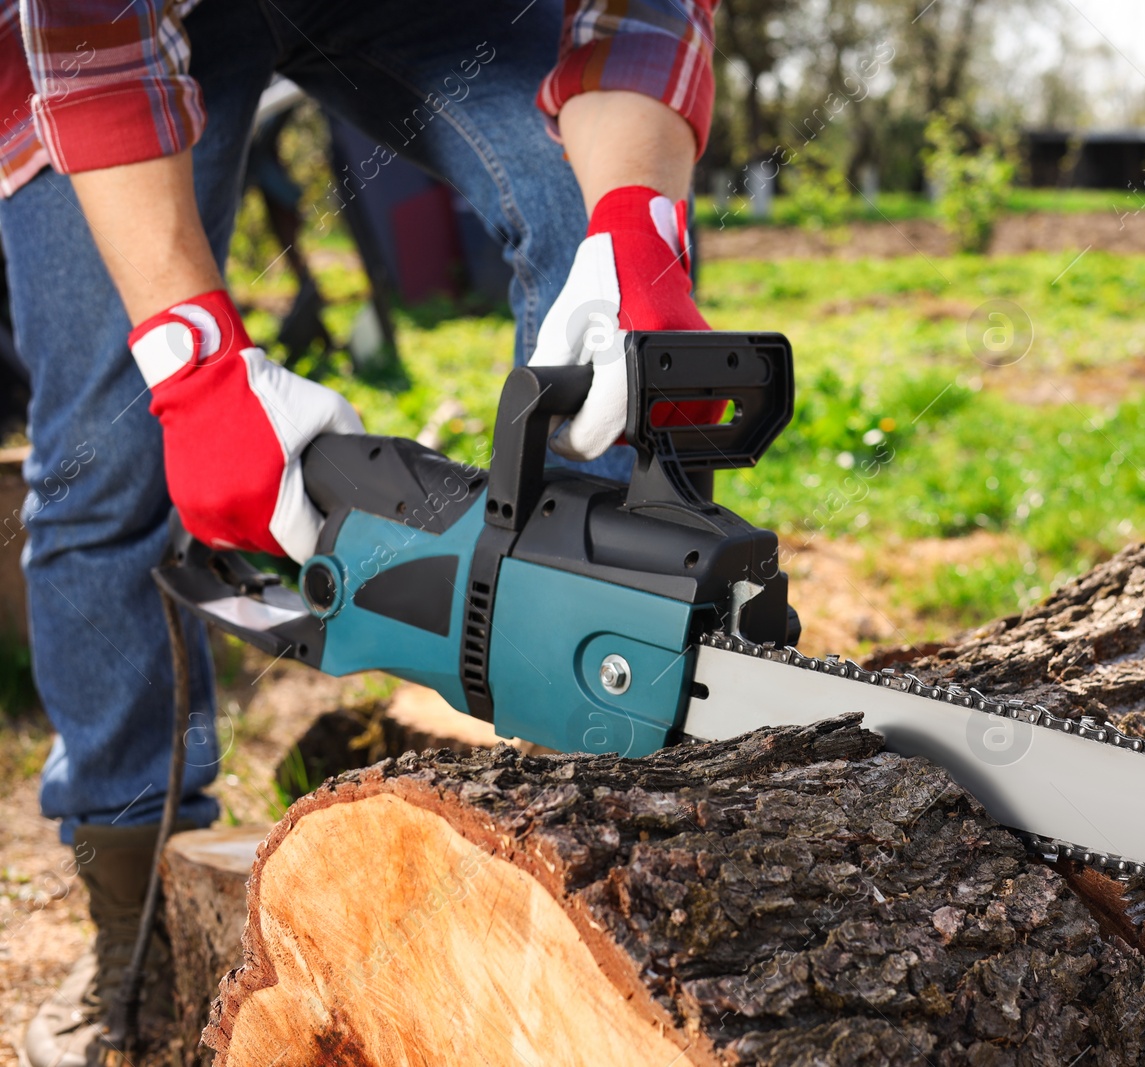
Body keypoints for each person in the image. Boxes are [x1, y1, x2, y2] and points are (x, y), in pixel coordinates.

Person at [2, 1, 718, 1062]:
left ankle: (607, 794)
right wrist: (196, 366)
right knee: (103, 449)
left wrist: (635, 223)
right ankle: (130, 919)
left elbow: (645, 12)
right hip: (113, 31)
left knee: (597, 250)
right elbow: (86, 41)